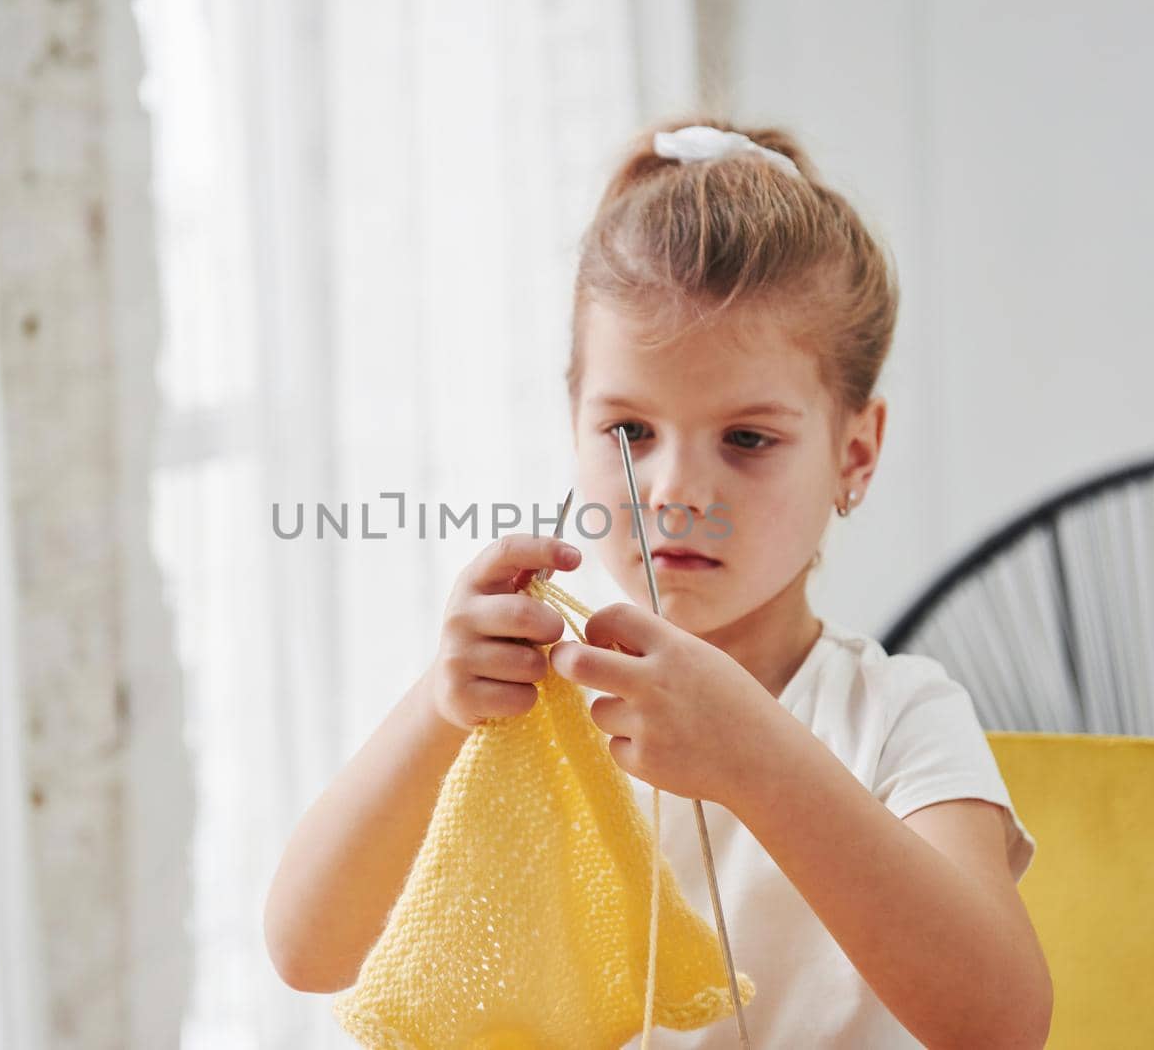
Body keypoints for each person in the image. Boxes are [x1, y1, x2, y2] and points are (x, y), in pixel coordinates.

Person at [264, 118, 1052, 1049]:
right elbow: (307, 954)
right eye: (629, 431)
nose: (672, 492)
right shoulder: (524, 695)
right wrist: (439, 709)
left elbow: (1001, 1025)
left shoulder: (898, 718)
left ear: (856, 451)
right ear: (573, 421)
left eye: (748, 438)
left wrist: (759, 759)